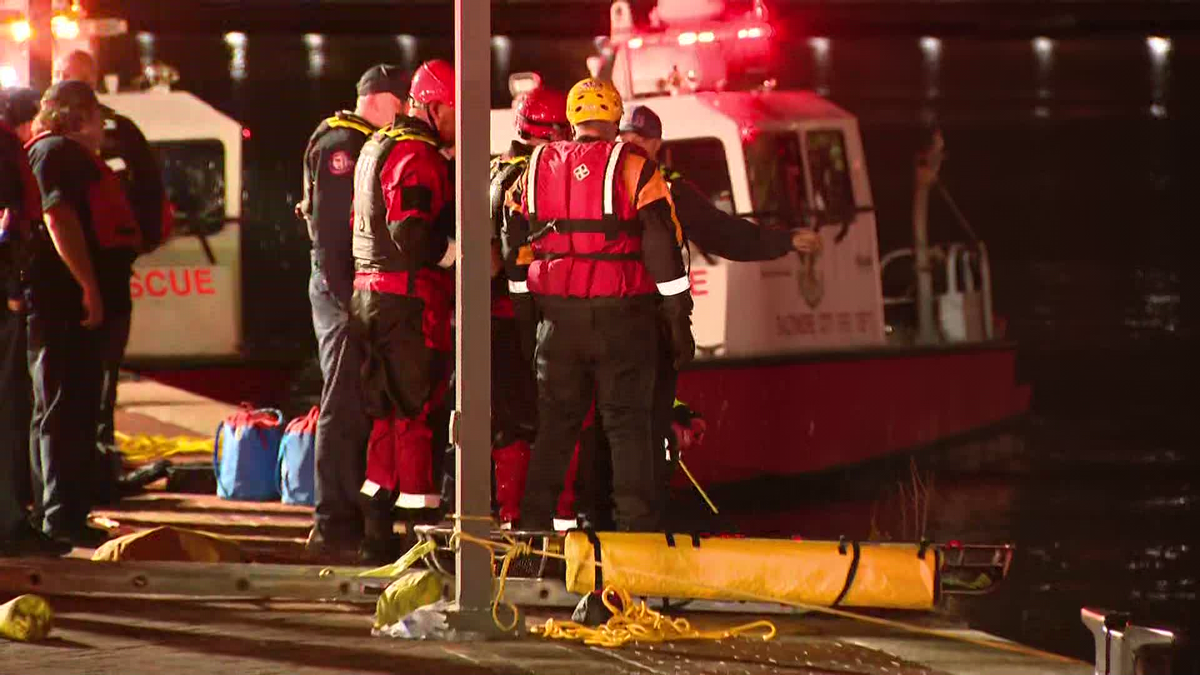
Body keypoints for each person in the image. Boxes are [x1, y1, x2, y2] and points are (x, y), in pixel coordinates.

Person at [502, 77, 694, 533]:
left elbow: (514, 240)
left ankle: (531, 539)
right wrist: (677, 319)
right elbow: (661, 246)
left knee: (554, 433)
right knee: (626, 429)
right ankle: (634, 544)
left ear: (572, 120)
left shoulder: (535, 166)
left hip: (557, 321)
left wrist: (529, 319)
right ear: (614, 119)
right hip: (622, 319)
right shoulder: (636, 167)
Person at [297, 64, 410, 557]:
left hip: (347, 288)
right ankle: (332, 524)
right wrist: (349, 302)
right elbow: (332, 235)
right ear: (388, 100)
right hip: (342, 291)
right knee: (342, 405)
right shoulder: (344, 145)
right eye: (404, 103)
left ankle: (350, 517)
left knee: (355, 403)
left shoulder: (351, 138)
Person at [349, 59, 456, 563]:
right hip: (408, 304)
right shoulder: (417, 156)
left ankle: (375, 535)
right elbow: (411, 234)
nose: (461, 119)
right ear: (432, 106)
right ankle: (421, 546)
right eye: (456, 109)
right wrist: (460, 254)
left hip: (367, 298)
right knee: (416, 417)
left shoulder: (376, 145)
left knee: (384, 418)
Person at [26, 81, 140, 547]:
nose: (100, 130)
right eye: (96, 120)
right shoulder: (56, 155)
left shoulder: (58, 154)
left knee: (68, 407)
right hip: (62, 306)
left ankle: (65, 510)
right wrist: (88, 286)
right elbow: (58, 217)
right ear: (76, 118)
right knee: (62, 408)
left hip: (72, 306)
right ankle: (59, 516)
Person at [53, 50, 169, 504]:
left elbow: (150, 191)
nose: (66, 84)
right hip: (63, 278)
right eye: (62, 77)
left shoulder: (119, 133)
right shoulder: (47, 141)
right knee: (64, 385)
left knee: (99, 380)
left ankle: (96, 468)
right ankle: (66, 479)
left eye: (74, 78)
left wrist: (139, 242)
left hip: (108, 274)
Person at [487, 85, 570, 526]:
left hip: (490, 319)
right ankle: (548, 525)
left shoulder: (493, 169)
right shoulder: (533, 178)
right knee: (547, 421)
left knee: (508, 425)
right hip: (529, 316)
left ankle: (511, 521)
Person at [0, 88, 71, 557]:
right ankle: (7, 521)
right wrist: (10, 292)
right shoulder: (5, 148)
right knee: (9, 405)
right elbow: (8, 218)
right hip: (1, 297)